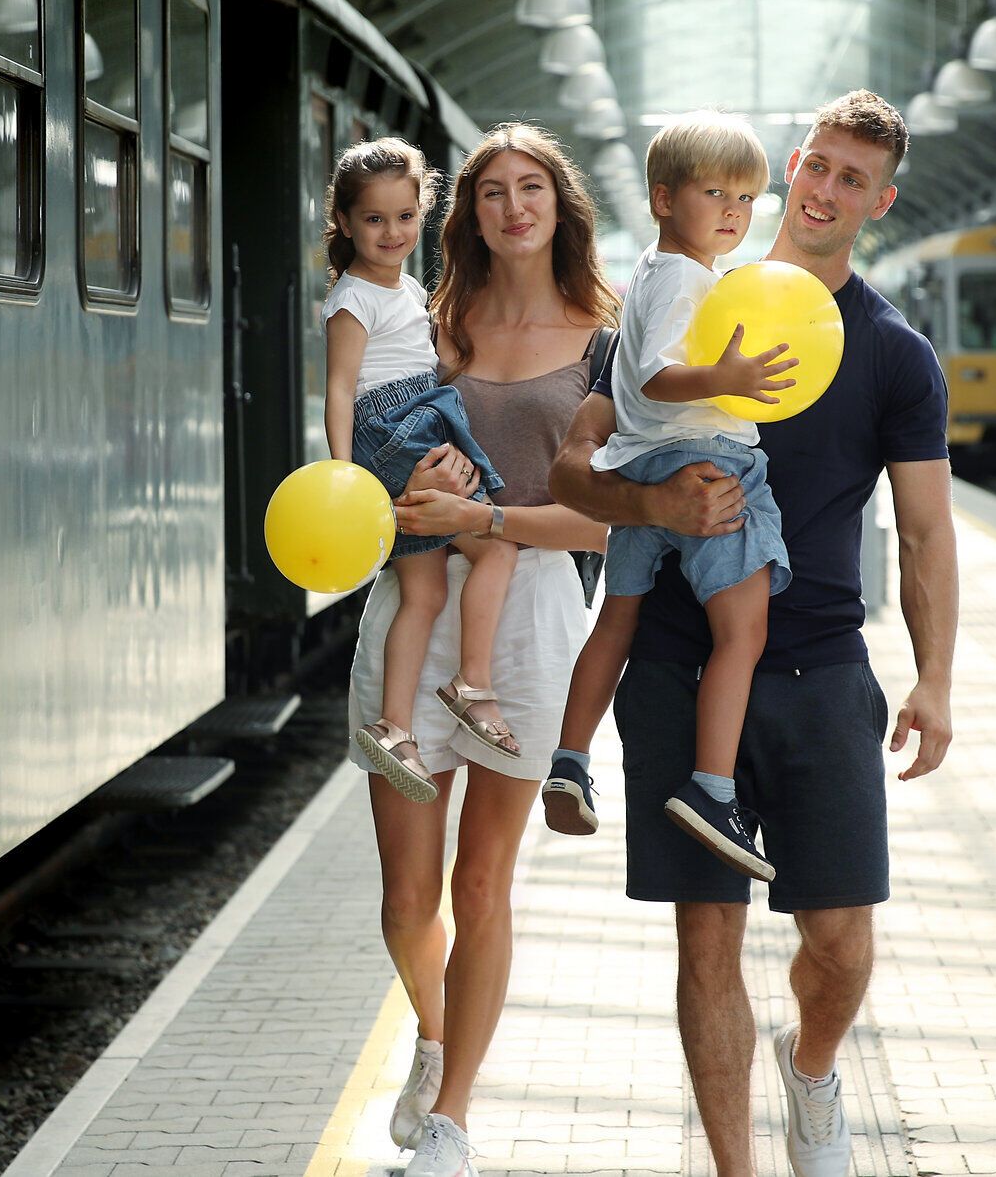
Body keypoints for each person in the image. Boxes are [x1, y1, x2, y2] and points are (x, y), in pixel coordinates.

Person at [549, 90, 958, 1177]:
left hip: (822, 662)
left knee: (840, 941)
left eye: (853, 179)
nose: (826, 191)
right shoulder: (670, 306)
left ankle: (812, 1065)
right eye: (816, 166)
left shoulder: (893, 352)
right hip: (679, 660)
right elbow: (569, 468)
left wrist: (938, 678)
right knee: (706, 936)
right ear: (792, 164)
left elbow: (924, 531)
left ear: (882, 199)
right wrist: (650, 508)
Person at [343, 123, 617, 1177]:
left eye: (531, 186)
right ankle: (433, 1030)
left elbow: (612, 520)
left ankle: (451, 1119)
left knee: (484, 883)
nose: (512, 205)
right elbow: (369, 465)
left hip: (533, 612)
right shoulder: (428, 321)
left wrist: (494, 525)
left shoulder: (605, 336)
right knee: (407, 898)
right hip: (416, 601)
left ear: (559, 204)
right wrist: (406, 512)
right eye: (492, 190)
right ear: (469, 215)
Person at [540, 111, 796, 888]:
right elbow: (655, 374)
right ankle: (713, 790)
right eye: (714, 191)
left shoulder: (654, 271)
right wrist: (726, 380)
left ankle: (570, 760)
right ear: (661, 198)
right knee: (742, 633)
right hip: (711, 467)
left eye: (747, 197)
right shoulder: (687, 277)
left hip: (643, 470)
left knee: (616, 620)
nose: (732, 210)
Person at [322, 138, 523, 803]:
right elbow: (341, 388)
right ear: (346, 222)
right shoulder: (354, 298)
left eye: (405, 217)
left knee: (426, 591)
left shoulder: (404, 286)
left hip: (419, 419)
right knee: (494, 545)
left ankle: (395, 724)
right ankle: (470, 684)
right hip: (392, 430)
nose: (392, 232)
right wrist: (345, 479)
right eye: (375, 219)